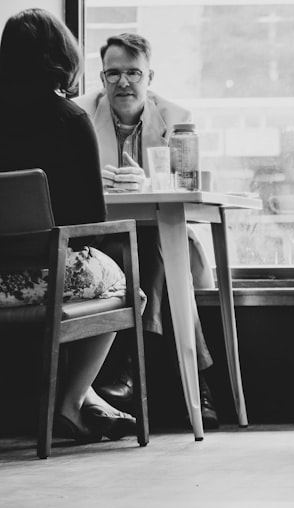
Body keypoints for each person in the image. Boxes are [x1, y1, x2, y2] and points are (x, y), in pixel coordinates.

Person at [0, 8, 138, 442]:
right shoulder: (70, 120)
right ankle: (71, 402)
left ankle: (86, 400)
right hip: (46, 274)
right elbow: (90, 225)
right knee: (131, 288)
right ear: (62, 54)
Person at [74, 33, 219, 428]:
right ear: (101, 77)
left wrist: (151, 184)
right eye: (113, 73)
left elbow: (188, 189)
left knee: (152, 245)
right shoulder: (79, 114)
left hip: (162, 234)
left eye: (133, 73)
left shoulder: (176, 118)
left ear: (149, 76)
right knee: (146, 255)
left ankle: (126, 370)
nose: (123, 83)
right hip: (104, 235)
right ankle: (197, 388)